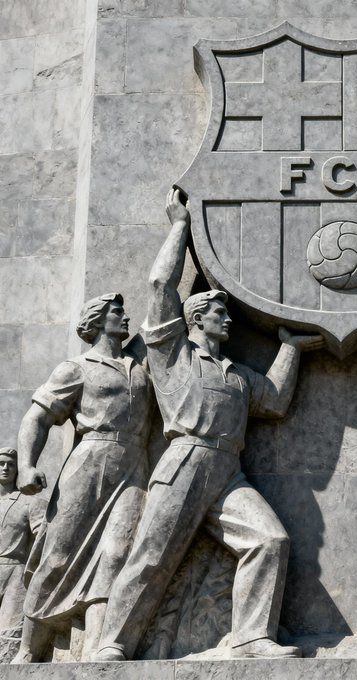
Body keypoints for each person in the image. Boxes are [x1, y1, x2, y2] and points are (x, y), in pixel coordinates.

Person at [94, 189, 323, 662]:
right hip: (184, 461)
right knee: (152, 555)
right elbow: (161, 285)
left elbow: (276, 400)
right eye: (220, 313)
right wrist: (180, 224)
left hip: (228, 470)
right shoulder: (172, 354)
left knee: (270, 540)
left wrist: (291, 348)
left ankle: (251, 637)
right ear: (197, 318)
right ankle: (113, 642)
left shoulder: (237, 374)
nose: (228, 320)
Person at [12, 293, 153, 663]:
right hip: (89, 462)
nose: (125, 316)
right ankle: (28, 649)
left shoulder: (140, 362)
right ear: (97, 320)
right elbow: (37, 418)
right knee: (57, 556)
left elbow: (162, 305)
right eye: (117, 311)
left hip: (134, 464)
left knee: (117, 553)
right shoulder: (76, 367)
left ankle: (97, 645)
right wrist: (26, 466)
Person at [0, 448, 45, 641]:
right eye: (1, 464)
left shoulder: (29, 502)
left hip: (15, 572)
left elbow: (43, 536)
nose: (5, 468)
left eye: (11, 465)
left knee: (9, 634)